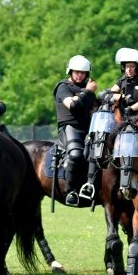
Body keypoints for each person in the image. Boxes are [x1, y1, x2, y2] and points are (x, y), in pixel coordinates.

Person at [87, 48, 138, 200]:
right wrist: (114, 97)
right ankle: (91, 182)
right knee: (99, 141)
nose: (128, 69)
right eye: (126, 66)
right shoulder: (122, 81)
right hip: (122, 124)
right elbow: (104, 94)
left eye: (131, 66)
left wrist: (130, 108)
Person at [54, 55, 98, 206]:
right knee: (76, 154)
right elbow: (73, 106)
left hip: (88, 129)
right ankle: (70, 191)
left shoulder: (86, 89)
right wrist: (87, 92)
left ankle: (90, 187)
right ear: (70, 71)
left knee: (100, 154)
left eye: (83, 72)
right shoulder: (63, 87)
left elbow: (93, 109)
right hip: (69, 127)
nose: (80, 75)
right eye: (77, 72)